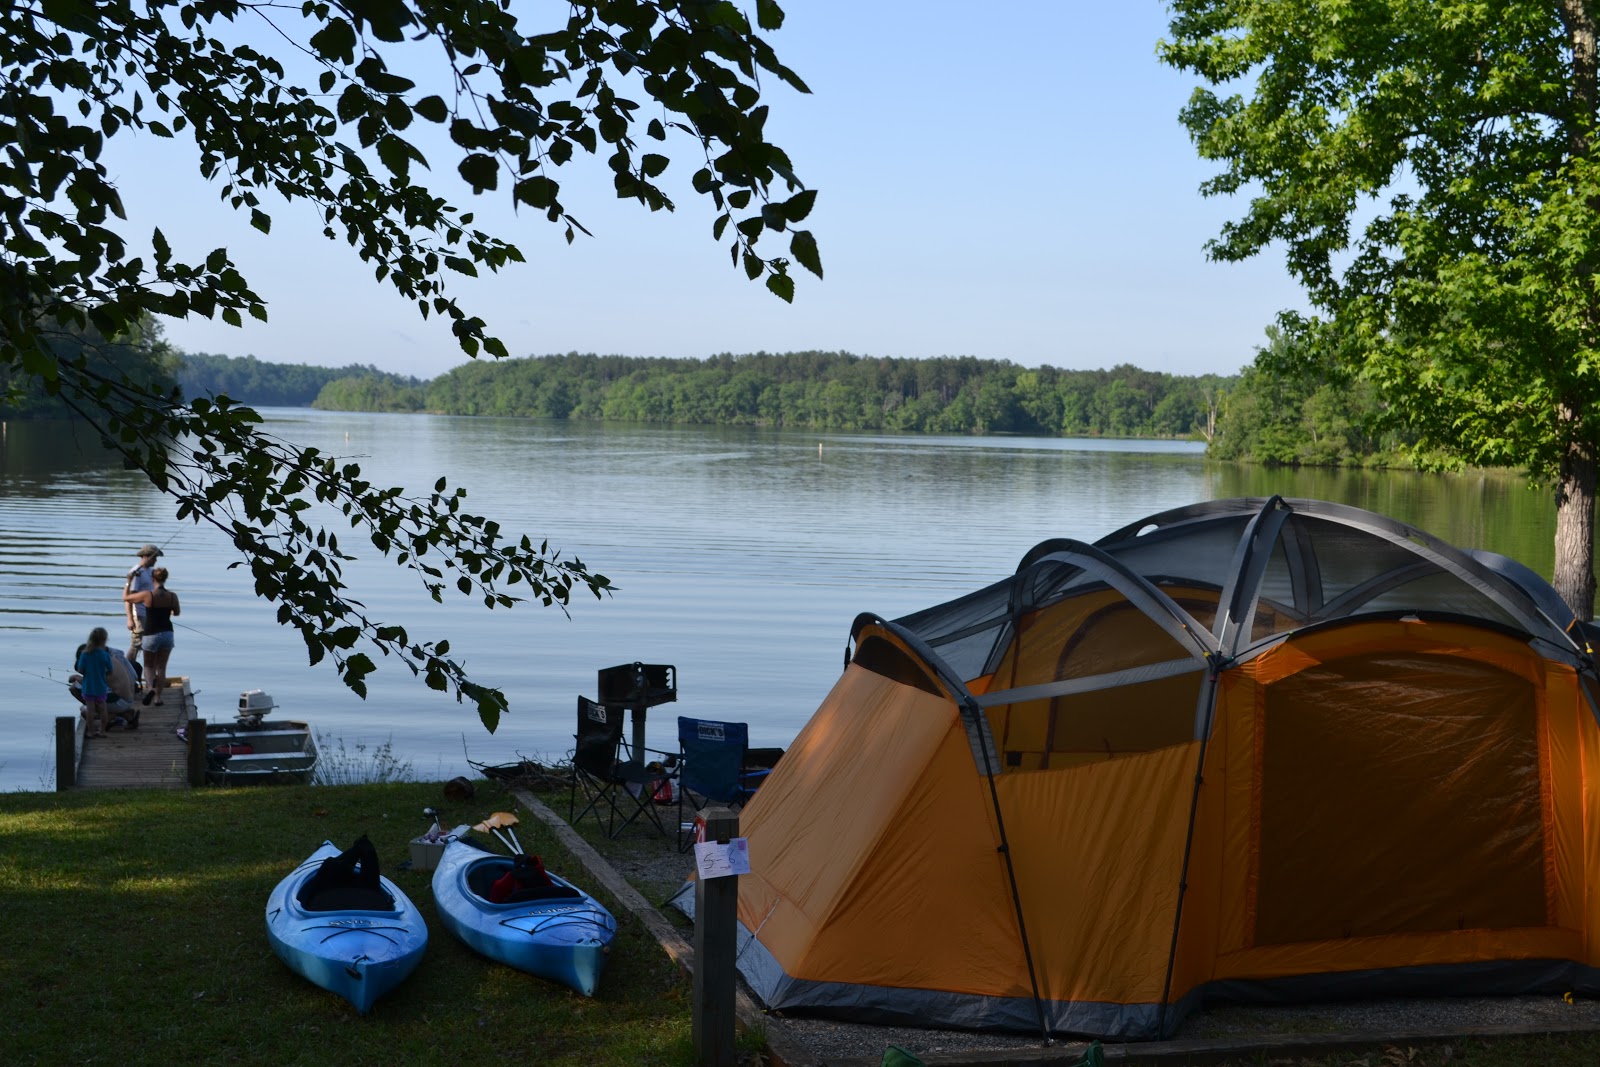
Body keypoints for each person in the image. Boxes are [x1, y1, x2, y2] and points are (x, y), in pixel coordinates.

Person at [123, 566, 179, 705]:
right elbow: (176, 613)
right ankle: (158, 698)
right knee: (161, 667)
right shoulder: (172, 596)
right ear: (165, 579)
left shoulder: (148, 595)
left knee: (148, 666)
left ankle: (150, 688)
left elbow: (126, 598)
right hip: (167, 633)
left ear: (153, 579)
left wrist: (128, 582)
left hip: (151, 634)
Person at [123, 544, 162, 669]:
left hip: (149, 613)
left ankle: (144, 672)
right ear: (145, 556)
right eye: (154, 558)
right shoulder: (136, 573)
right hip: (139, 614)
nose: (156, 561)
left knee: (148, 644)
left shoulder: (150, 571)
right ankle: (126, 670)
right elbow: (129, 597)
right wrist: (130, 618)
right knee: (136, 644)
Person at [75, 627, 113, 738]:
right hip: (101, 687)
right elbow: (110, 670)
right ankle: (102, 731)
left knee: (90, 710)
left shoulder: (85, 654)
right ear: (104, 640)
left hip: (88, 687)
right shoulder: (105, 655)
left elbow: (80, 670)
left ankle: (91, 732)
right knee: (103, 709)